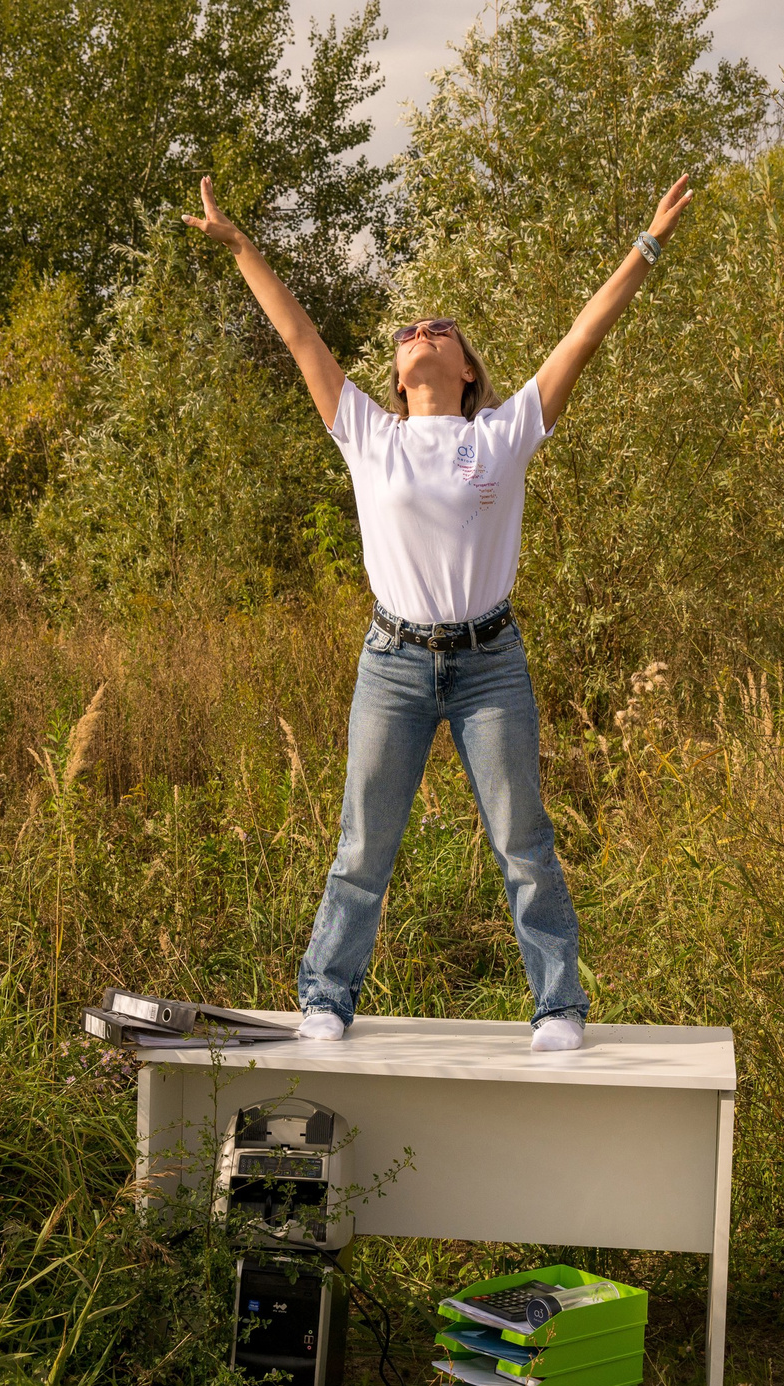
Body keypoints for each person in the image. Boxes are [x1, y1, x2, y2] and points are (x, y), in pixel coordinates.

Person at [186, 173, 694, 1052]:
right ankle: (326, 998)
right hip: (393, 663)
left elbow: (584, 332)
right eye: (408, 331)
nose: (420, 332)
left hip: (489, 661)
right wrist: (242, 249)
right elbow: (298, 332)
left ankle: (559, 1004)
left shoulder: (504, 431)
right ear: (397, 373)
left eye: (440, 329)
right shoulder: (366, 434)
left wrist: (646, 245)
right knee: (363, 844)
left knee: (522, 839)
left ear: (466, 371)